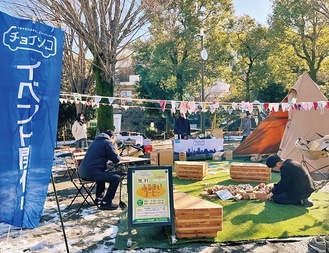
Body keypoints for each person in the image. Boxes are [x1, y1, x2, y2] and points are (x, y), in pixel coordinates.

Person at [78, 130, 123, 210]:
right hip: (91, 173)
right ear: (112, 137)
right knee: (116, 178)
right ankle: (106, 202)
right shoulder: (106, 142)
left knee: (102, 174)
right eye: (114, 140)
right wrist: (119, 155)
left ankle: (99, 198)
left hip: (82, 172)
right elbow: (115, 159)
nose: (113, 142)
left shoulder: (95, 142)